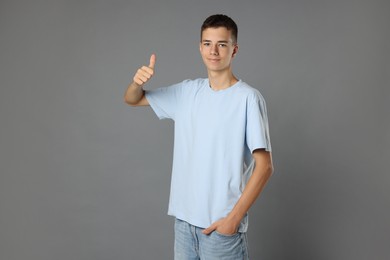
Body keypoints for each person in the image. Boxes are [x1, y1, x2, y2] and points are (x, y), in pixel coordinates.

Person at [124, 14, 273, 260]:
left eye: (221, 44)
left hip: (221, 229)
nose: (213, 51)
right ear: (200, 47)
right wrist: (135, 82)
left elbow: (265, 167)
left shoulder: (248, 98)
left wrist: (233, 220)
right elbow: (133, 99)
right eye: (207, 43)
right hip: (184, 226)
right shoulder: (187, 92)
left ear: (234, 50)